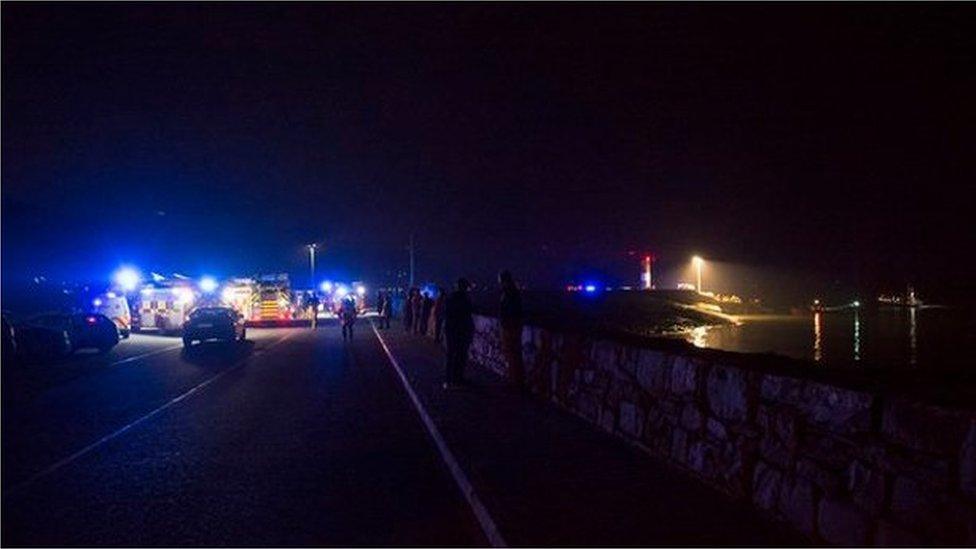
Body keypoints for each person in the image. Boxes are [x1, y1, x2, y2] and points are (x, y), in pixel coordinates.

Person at [444, 278, 474, 388]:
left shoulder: (451, 298)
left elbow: (447, 314)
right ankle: (457, 378)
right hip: (461, 331)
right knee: (460, 357)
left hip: (451, 330)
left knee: (451, 356)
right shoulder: (465, 299)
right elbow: (468, 315)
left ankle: (448, 379)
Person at [499, 270, 525, 387]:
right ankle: (516, 380)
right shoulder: (513, 292)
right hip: (513, 326)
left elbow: (508, 310)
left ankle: (515, 381)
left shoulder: (508, 293)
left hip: (510, 327)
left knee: (512, 354)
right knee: (514, 355)